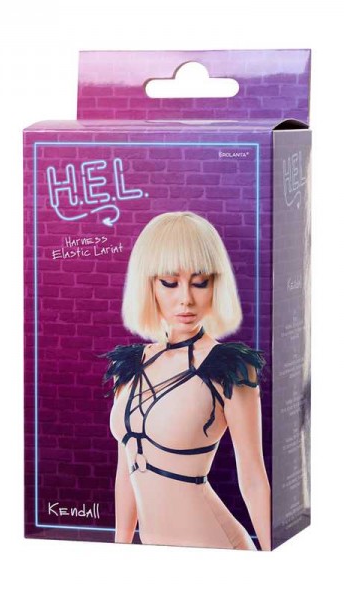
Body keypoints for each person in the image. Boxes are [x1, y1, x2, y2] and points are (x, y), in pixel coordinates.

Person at [104, 211, 271, 550]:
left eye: (200, 282)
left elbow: (253, 479)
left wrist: (275, 561)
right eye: (169, 282)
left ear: (215, 284)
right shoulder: (130, 366)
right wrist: (120, 547)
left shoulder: (228, 368)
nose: (186, 299)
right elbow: (127, 472)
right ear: (149, 284)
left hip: (216, 547)